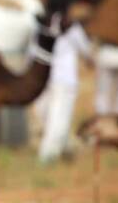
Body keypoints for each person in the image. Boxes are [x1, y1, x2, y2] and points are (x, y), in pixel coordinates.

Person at [35, 12, 92, 164]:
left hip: (63, 80)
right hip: (47, 79)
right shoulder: (44, 24)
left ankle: (47, 157)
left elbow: (87, 52)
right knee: (48, 116)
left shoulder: (71, 28)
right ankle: (66, 149)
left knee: (57, 119)